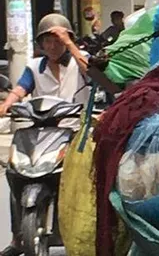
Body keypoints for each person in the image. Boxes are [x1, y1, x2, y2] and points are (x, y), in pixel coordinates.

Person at [0, 14, 91, 256]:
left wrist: (71, 45)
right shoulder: (33, 66)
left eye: (58, 40)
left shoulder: (80, 61)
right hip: (40, 129)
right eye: (47, 41)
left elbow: (91, 73)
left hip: (74, 128)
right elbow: (21, 88)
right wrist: (7, 103)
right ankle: (17, 238)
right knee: (16, 173)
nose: (52, 46)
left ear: (68, 39)